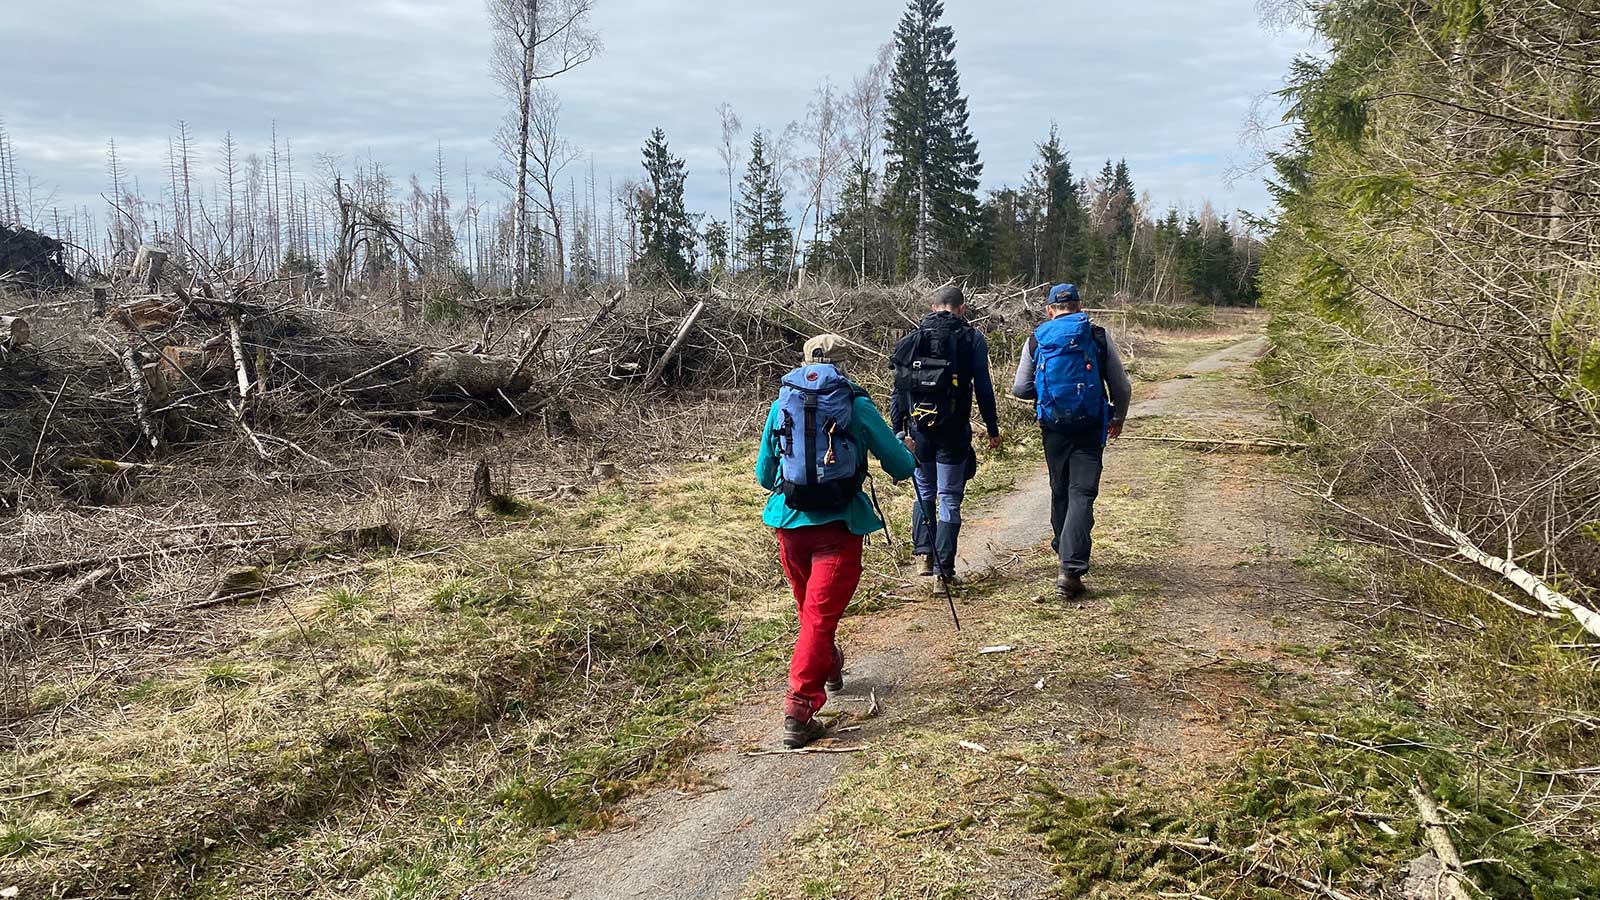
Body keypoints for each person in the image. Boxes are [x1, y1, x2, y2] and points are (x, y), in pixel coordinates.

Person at [756, 334, 916, 749]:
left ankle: (829, 664)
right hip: (839, 528)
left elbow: (764, 476)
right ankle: (799, 709)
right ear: (843, 366)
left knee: (811, 614)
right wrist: (907, 450)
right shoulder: (855, 404)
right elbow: (900, 466)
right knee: (818, 618)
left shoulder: (782, 403)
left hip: (789, 525)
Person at [1010, 284, 1133, 599]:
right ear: (1079, 307)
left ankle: (1062, 547)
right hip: (1090, 425)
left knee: (1059, 487)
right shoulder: (1097, 336)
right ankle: (1070, 568)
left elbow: (1020, 388)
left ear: (1050, 310)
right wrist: (1118, 417)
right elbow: (1121, 386)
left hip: (1053, 427)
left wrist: (1047, 394)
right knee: (1082, 492)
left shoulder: (1037, 339)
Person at [889, 285, 1001, 583]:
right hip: (954, 432)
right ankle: (944, 572)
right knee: (949, 497)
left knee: (925, 491)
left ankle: (924, 556)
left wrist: (898, 430)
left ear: (932, 307)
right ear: (961, 308)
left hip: (919, 431)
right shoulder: (972, 339)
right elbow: (984, 388)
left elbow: (898, 390)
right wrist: (992, 429)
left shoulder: (912, 339)